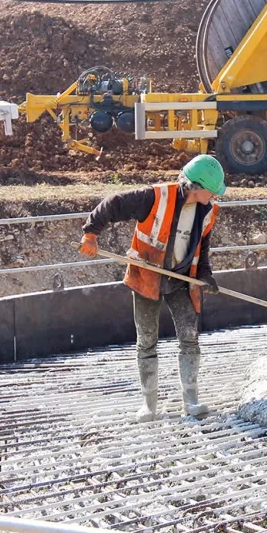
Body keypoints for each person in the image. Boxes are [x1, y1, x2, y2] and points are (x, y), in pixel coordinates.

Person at [78, 154, 226, 421]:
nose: (214, 196)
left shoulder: (209, 211)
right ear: (195, 186)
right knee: (147, 341)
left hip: (182, 279)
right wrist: (91, 233)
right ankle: (149, 405)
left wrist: (205, 275)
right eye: (211, 191)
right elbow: (114, 204)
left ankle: (191, 401)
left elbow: (201, 248)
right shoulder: (156, 197)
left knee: (190, 337)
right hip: (147, 276)